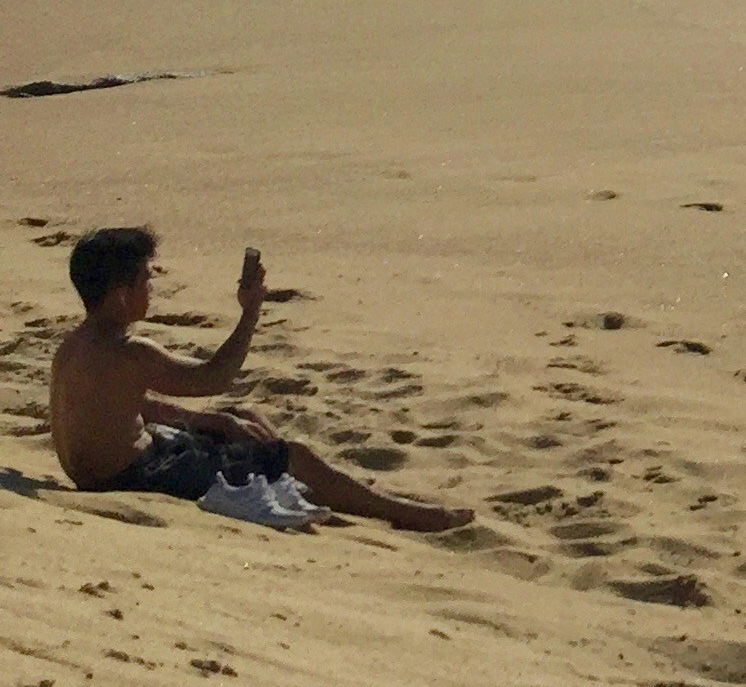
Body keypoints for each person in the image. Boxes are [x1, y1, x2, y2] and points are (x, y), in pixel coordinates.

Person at [45, 227, 464, 532]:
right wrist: (250, 313)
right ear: (121, 294)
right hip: (136, 476)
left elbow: (121, 408)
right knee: (292, 453)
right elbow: (215, 377)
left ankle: (319, 483)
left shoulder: (75, 345)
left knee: (239, 418)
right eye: (145, 280)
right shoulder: (130, 352)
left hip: (106, 469)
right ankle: (403, 512)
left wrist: (210, 420)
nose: (152, 288)